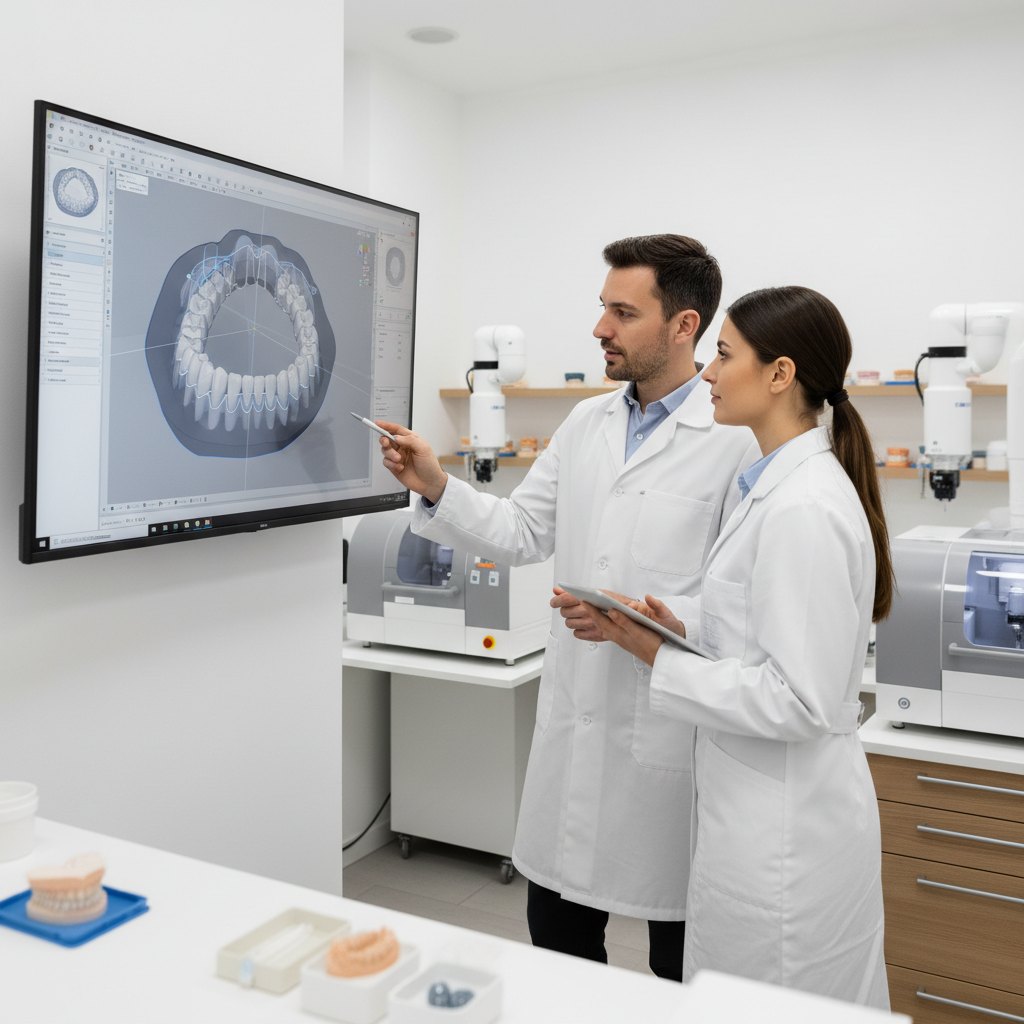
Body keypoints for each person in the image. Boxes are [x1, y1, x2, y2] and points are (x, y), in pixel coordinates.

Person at [376, 235, 757, 981]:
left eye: (624, 313)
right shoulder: (587, 424)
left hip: (670, 740)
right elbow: (522, 530)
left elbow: (740, 597)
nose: (600, 329)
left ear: (684, 325)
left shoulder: (734, 441)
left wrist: (645, 619)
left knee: (679, 965)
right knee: (557, 947)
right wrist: (436, 484)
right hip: (576, 731)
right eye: (603, 308)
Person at [581, 285, 892, 1007]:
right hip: (757, 817)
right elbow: (757, 619)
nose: (710, 374)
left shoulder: (804, 507)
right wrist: (680, 622)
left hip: (785, 839)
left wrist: (657, 657)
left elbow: (798, 700)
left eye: (723, 355)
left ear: (780, 374)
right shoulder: (773, 486)